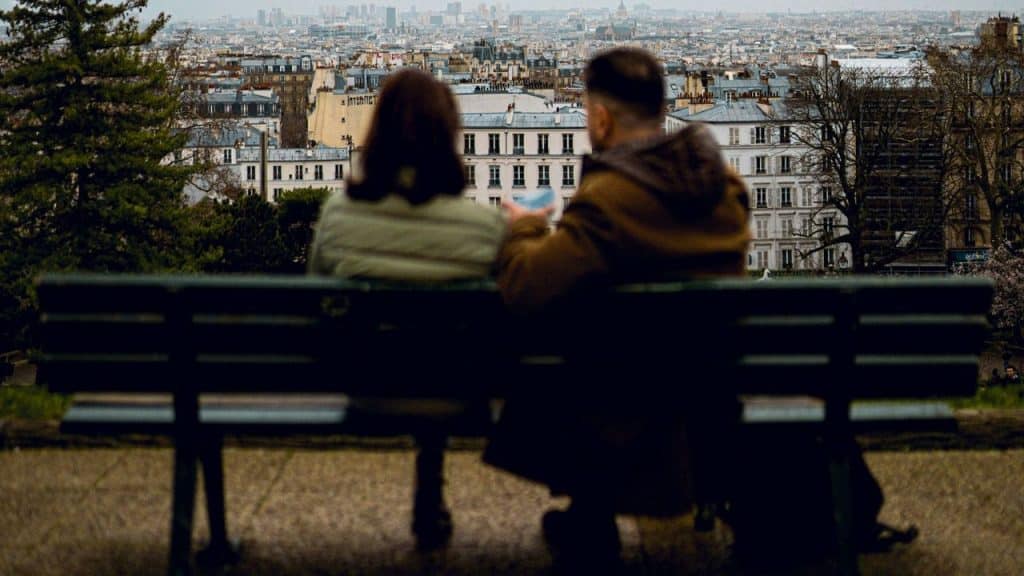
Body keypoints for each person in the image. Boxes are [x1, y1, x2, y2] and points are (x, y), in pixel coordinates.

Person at [482, 47, 751, 568]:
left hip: (625, 401)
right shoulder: (724, 189)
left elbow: (525, 288)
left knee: (579, 362)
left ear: (601, 118)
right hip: (712, 394)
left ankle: (591, 518)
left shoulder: (609, 199)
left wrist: (525, 228)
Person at [307, 68, 506, 549]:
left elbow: (317, 298)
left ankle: (429, 489)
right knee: (440, 352)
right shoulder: (486, 226)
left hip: (369, 385)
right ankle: (431, 487)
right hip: (461, 388)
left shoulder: (337, 216)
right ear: (448, 138)